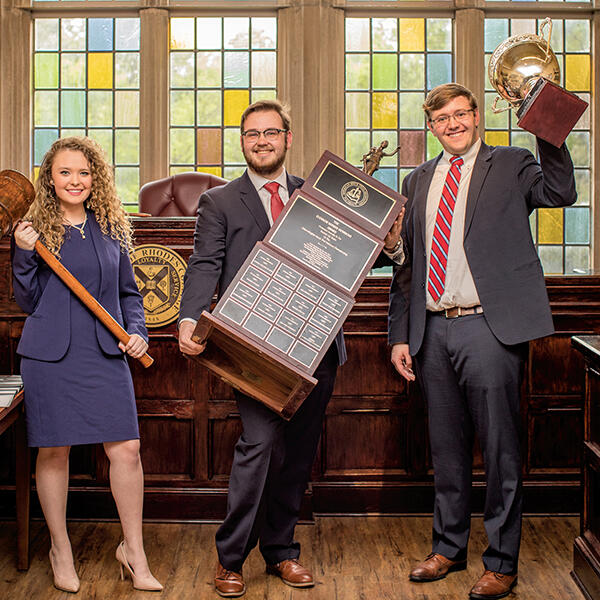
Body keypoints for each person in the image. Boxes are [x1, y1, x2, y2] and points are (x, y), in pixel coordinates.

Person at [178, 99, 402, 597]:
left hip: (318, 349)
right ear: (243, 142)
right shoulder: (220, 201)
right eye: (252, 133)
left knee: (297, 458)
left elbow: (358, 260)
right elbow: (203, 265)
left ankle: (281, 552)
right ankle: (230, 558)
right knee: (257, 448)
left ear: (288, 138)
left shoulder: (319, 194)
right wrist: (189, 317)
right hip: (252, 350)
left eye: (271, 132)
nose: (262, 140)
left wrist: (389, 245)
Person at [388, 83, 576, 600]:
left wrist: (548, 132)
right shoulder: (417, 179)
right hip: (431, 329)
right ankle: (448, 548)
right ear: (432, 127)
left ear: (476, 117)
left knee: (499, 450)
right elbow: (404, 266)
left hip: (490, 326)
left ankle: (501, 560)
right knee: (446, 450)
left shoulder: (512, 164)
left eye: (459, 114)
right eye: (441, 119)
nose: (452, 125)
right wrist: (399, 336)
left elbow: (561, 193)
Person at [12, 137, 162, 593]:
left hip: (104, 352)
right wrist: (21, 254)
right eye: (65, 172)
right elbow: (28, 301)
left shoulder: (110, 227)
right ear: (50, 179)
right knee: (54, 452)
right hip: (50, 356)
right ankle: (60, 547)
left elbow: (129, 295)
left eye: (83, 172)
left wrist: (137, 332)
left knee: (127, 451)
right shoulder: (33, 232)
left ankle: (133, 551)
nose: (75, 181)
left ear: (95, 178)